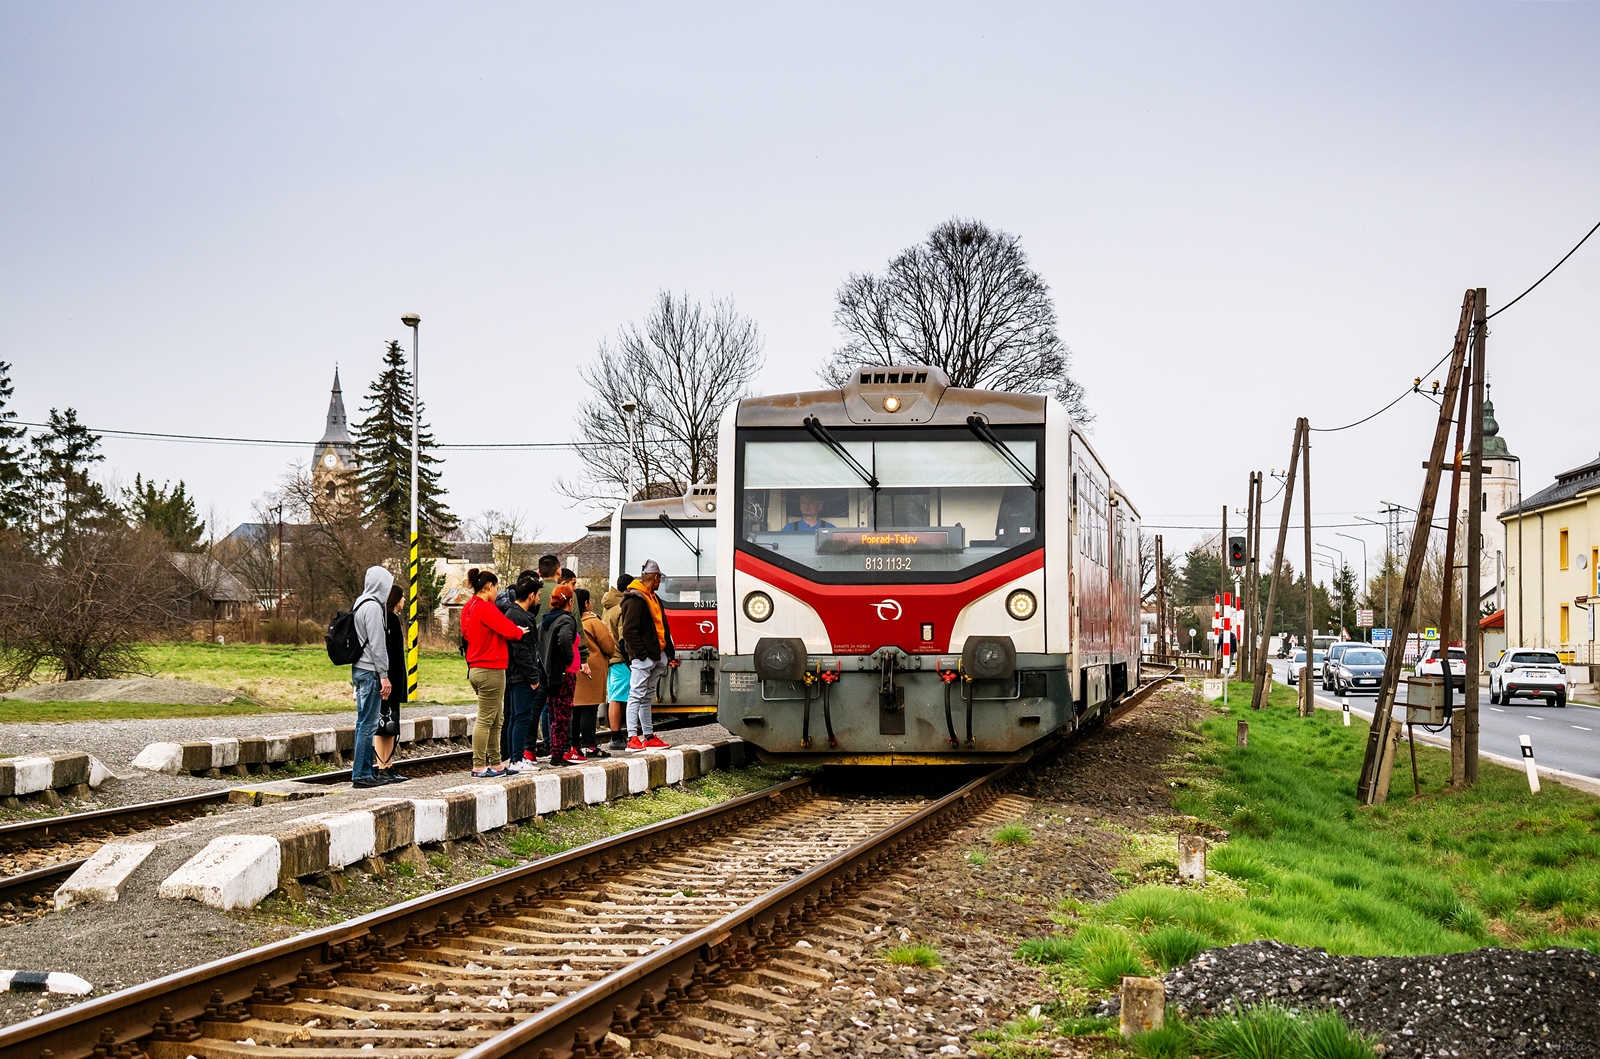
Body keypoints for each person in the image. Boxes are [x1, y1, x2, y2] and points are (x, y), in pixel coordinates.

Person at [460, 567, 529, 777]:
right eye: (496, 588)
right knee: (485, 719)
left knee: (496, 719)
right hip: (491, 668)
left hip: (475, 667)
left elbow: (467, 634)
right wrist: (519, 631)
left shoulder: (469, 607)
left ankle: (497, 763)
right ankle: (479, 765)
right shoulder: (485, 607)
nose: (497, 592)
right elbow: (507, 628)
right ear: (489, 586)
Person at [618, 559, 674, 751]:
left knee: (646, 696)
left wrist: (667, 653)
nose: (660, 583)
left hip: (657, 655)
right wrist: (641, 655)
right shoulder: (635, 599)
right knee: (636, 695)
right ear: (656, 577)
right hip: (645, 657)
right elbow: (629, 631)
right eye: (659, 579)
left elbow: (662, 625)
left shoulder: (652, 598)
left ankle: (648, 736)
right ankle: (632, 737)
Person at [349, 566, 395, 789]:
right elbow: (377, 644)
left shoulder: (359, 603)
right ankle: (361, 774)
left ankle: (365, 771)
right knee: (368, 724)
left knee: (362, 722)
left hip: (359, 668)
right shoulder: (374, 607)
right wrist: (384, 675)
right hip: (370, 671)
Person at [538, 584, 591, 765]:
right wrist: (569, 658)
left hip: (550, 672)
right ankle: (558, 754)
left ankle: (555, 750)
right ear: (570, 601)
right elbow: (564, 639)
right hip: (565, 673)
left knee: (554, 712)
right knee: (563, 713)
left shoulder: (546, 621)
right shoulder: (567, 620)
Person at [501, 574, 542, 774]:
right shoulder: (518, 616)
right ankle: (516, 758)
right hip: (521, 676)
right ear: (531, 595)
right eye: (538, 595)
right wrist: (533, 676)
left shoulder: (514, 613)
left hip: (514, 674)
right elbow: (521, 651)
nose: (539, 599)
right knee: (522, 717)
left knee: (516, 717)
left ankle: (514, 757)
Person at [374, 582, 409, 783]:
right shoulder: (390, 620)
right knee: (383, 723)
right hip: (389, 678)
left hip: (391, 678)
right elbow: (390, 652)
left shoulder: (390, 619)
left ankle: (388, 765)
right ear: (395, 598)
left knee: (390, 723)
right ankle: (382, 766)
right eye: (402, 596)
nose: (404, 600)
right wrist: (385, 677)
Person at [573, 588, 613, 758]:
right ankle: (590, 746)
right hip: (591, 671)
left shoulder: (569, 621)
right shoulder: (593, 622)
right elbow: (609, 646)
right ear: (586, 603)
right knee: (589, 709)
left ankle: (574, 746)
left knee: (574, 711)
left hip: (573, 669)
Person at [602, 573, 633, 752]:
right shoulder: (622, 607)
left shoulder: (608, 606)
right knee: (618, 698)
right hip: (620, 658)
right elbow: (623, 638)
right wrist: (630, 661)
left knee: (615, 696)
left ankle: (617, 736)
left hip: (610, 658)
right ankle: (616, 737)